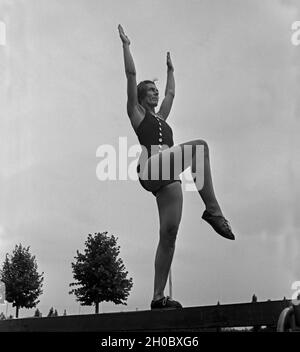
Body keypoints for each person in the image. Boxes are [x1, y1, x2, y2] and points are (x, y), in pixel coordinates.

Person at [118, 24, 235, 310]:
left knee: (169, 234)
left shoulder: (163, 118)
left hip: (168, 178)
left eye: (157, 92)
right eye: (152, 92)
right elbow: (131, 75)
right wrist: (126, 46)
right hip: (150, 169)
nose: (157, 95)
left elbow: (171, 95)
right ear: (142, 95)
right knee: (199, 147)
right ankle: (213, 210)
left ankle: (158, 298)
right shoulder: (136, 114)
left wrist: (171, 71)